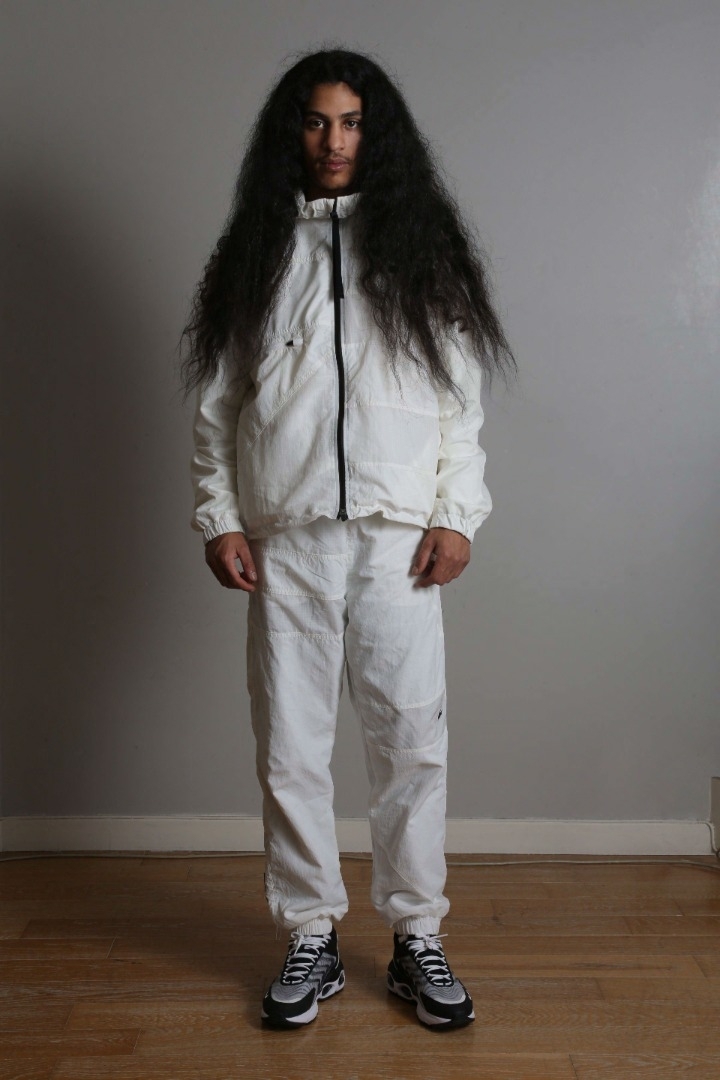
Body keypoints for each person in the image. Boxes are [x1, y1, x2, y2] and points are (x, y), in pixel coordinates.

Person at [180, 47, 515, 1030]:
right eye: (318, 120)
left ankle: (417, 936)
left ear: (379, 134)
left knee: (411, 744)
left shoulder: (421, 251)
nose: (334, 140)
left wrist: (455, 513)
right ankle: (310, 935)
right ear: (292, 131)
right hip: (286, 541)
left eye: (353, 122)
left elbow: (460, 406)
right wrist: (221, 516)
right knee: (291, 750)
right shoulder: (258, 253)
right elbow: (219, 408)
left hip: (397, 542)